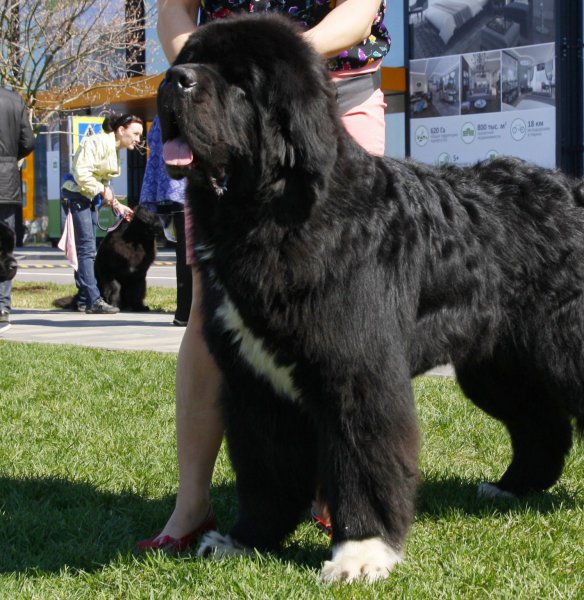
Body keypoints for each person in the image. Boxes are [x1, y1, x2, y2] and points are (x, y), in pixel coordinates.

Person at [137, 0, 390, 552]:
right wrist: (199, 71)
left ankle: (346, 501)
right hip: (222, 107)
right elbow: (173, 11)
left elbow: (360, 11)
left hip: (332, 98)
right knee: (217, 312)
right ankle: (193, 506)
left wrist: (281, 58)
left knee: (342, 314)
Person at [61, 112, 141, 314]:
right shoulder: (95, 143)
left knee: (86, 249)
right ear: (121, 130)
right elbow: (82, 174)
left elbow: (103, 184)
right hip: (76, 197)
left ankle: (82, 297)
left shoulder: (114, 150)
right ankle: (92, 300)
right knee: (87, 249)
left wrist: (117, 205)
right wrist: (101, 190)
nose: (138, 139)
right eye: (136, 133)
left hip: (87, 198)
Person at [139, 119, 191, 326]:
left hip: (172, 188)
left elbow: (153, 143)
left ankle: (184, 311)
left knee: (184, 252)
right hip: (193, 188)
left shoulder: (162, 115)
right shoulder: (194, 104)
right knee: (192, 254)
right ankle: (188, 312)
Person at [0, 86, 36, 333]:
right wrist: (11, 157)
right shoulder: (14, 100)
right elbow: (29, 141)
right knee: (4, 249)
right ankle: (3, 308)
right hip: (7, 183)